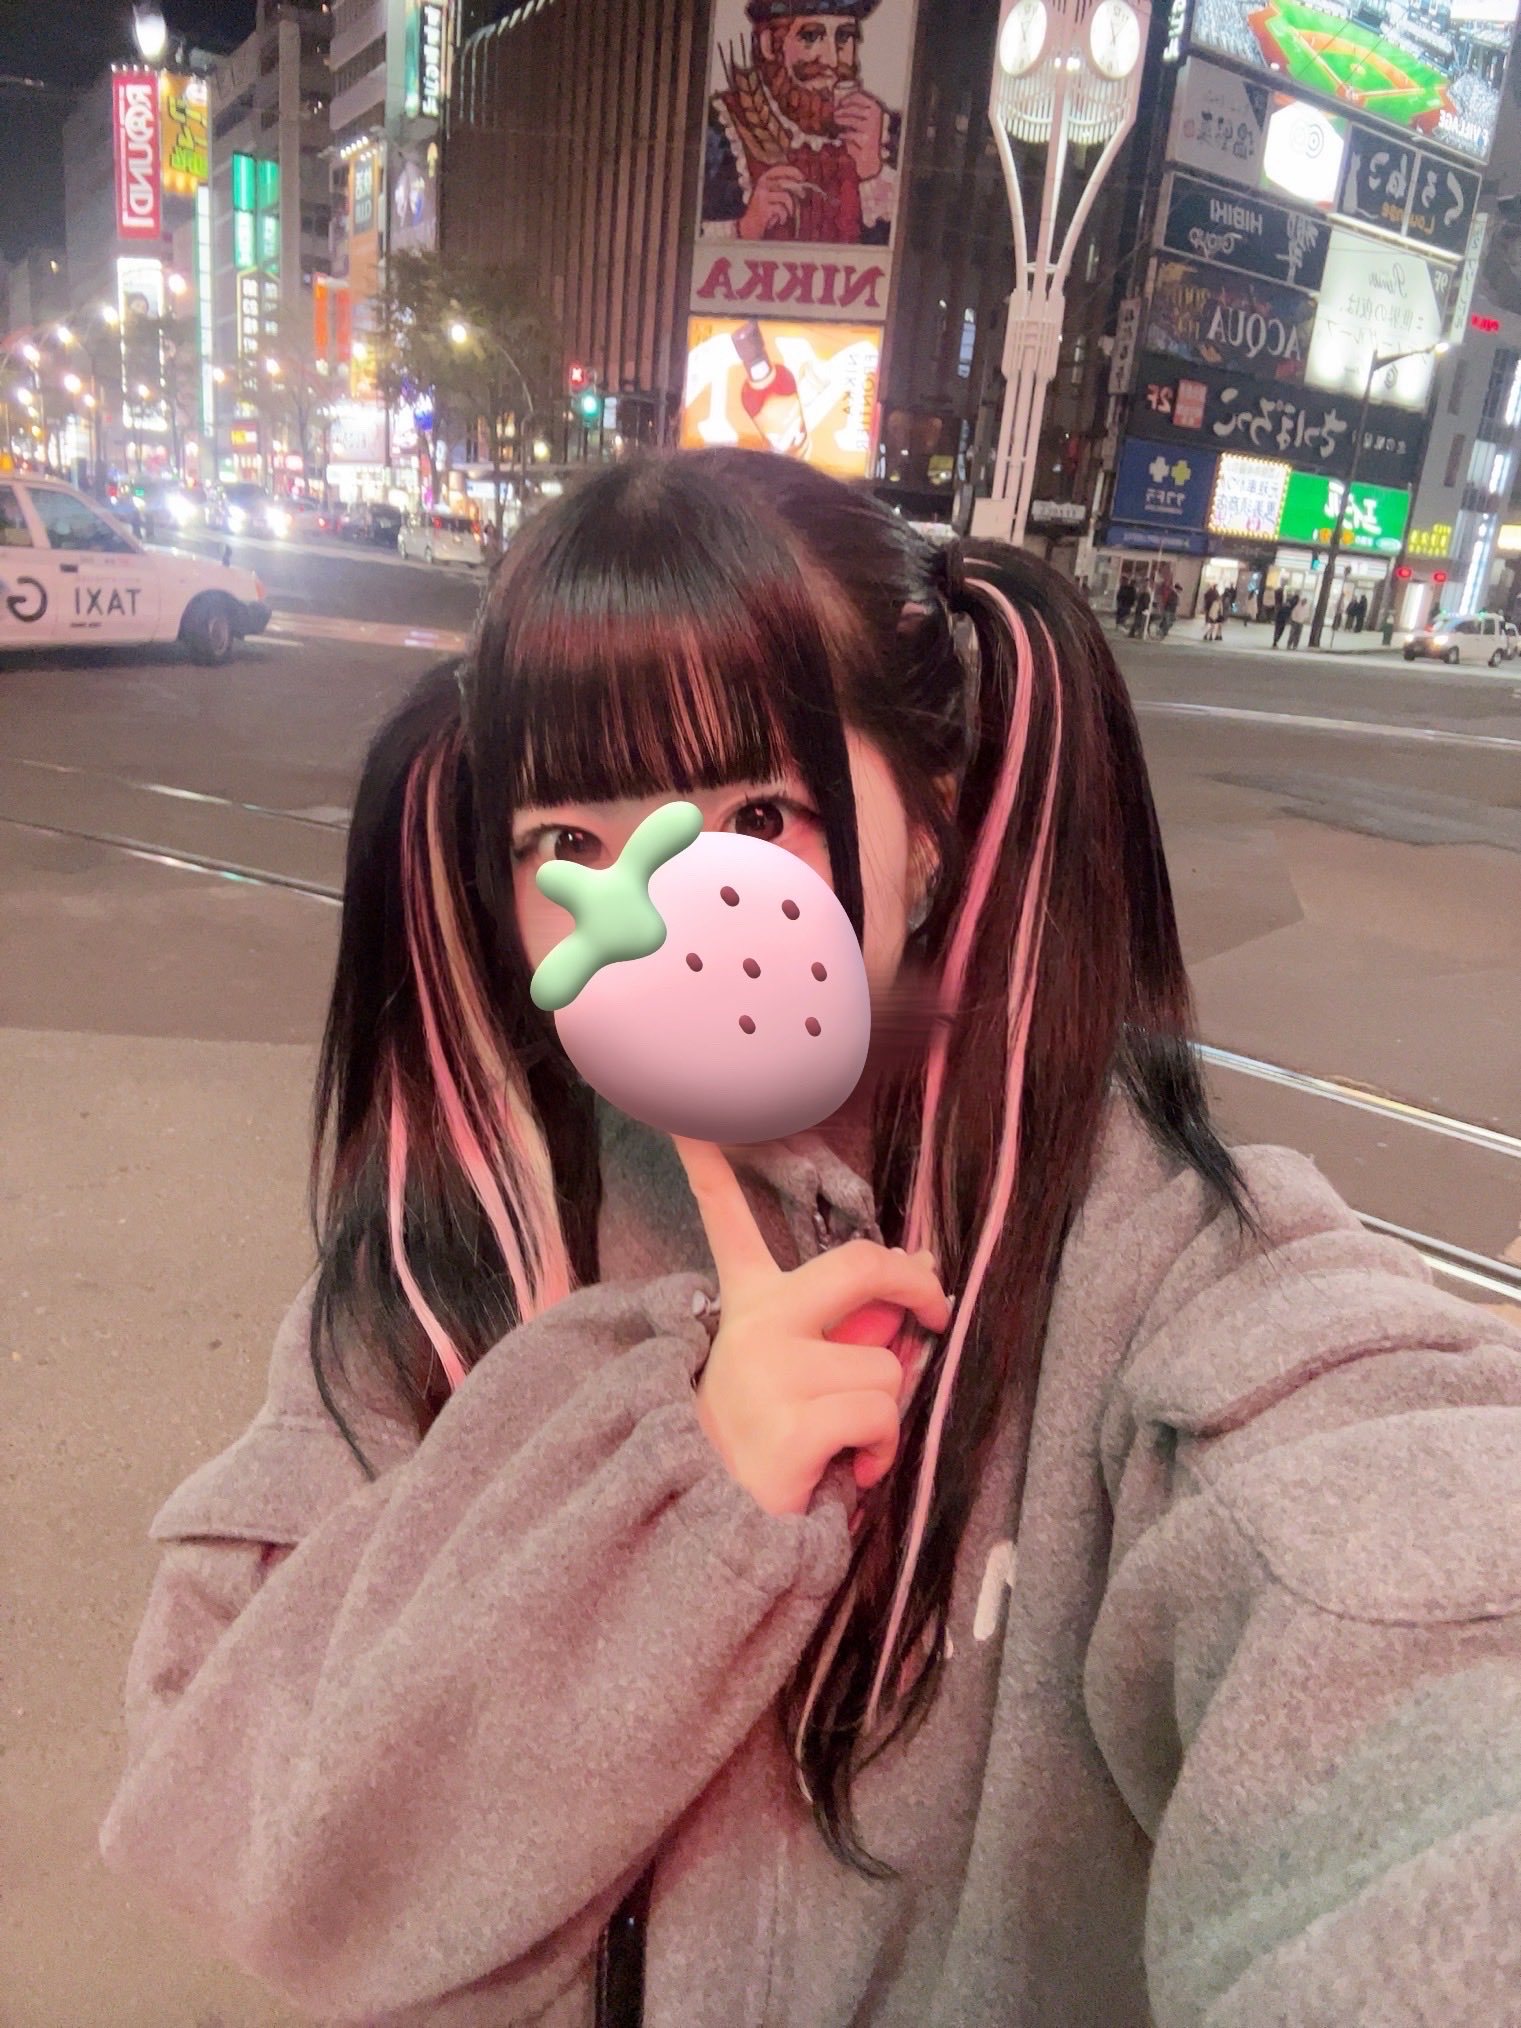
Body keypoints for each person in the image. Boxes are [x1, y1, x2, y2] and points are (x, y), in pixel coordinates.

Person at [98, 451, 1521, 2027]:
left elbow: (1416, 1628)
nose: (655, 913)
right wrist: (658, 1487)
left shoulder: (1168, 1271)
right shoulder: (457, 1252)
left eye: (757, 814)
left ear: (933, 830)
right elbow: (236, 1810)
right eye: (565, 843)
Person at [702, 1, 900, 246]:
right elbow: (679, 236)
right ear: (769, 44)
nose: (831, 59)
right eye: (811, 36)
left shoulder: (887, 133)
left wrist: (873, 173)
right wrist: (744, 228)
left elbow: (914, 247)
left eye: (844, 36)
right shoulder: (718, 129)